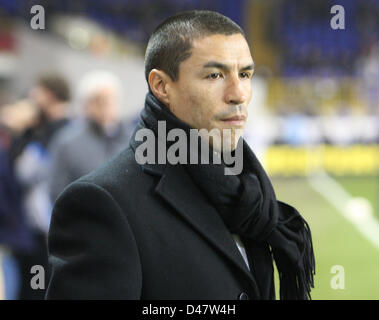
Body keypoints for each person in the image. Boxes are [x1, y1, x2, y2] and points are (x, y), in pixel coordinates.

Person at [46, 10, 315, 300]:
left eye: (245, 74)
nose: (238, 93)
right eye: (214, 75)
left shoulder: (247, 192)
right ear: (161, 86)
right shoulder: (101, 203)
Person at [47, 70, 134, 202]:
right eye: (98, 101)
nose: (105, 106)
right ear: (86, 105)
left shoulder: (132, 139)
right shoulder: (67, 142)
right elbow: (56, 189)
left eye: (110, 100)